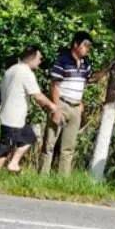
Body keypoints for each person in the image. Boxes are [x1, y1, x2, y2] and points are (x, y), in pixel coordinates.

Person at [0, 44, 60, 178]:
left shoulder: (11, 70)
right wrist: (52, 106)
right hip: (13, 118)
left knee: (29, 138)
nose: (40, 61)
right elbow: (37, 95)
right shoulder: (26, 73)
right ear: (31, 58)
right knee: (4, 149)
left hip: (11, 115)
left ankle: (14, 163)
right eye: (39, 58)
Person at [39, 32, 94, 178]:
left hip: (76, 107)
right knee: (49, 144)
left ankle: (63, 179)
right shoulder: (62, 61)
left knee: (68, 147)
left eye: (89, 46)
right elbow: (54, 85)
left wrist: (108, 70)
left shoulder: (86, 64)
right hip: (62, 103)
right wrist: (56, 108)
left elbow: (88, 80)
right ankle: (42, 177)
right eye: (85, 45)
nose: (87, 49)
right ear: (76, 44)